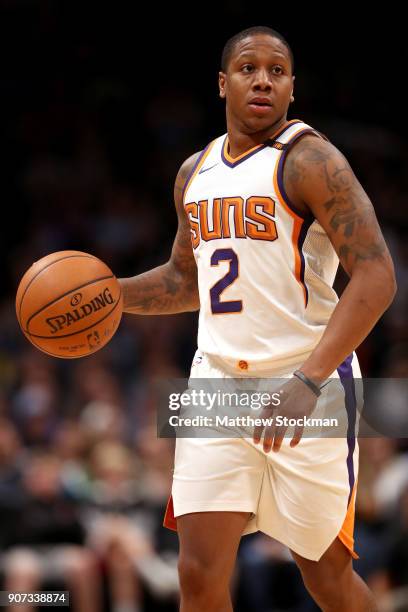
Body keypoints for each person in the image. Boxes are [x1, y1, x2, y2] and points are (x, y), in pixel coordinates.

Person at [119, 25, 396, 611]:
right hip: (216, 382)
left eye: (277, 70)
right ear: (223, 84)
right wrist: (108, 296)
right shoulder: (194, 173)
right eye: (249, 69)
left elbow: (377, 278)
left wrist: (309, 379)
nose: (263, 79)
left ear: (293, 88)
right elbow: (184, 281)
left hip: (307, 380)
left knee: (326, 578)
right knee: (198, 575)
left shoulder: (311, 159)